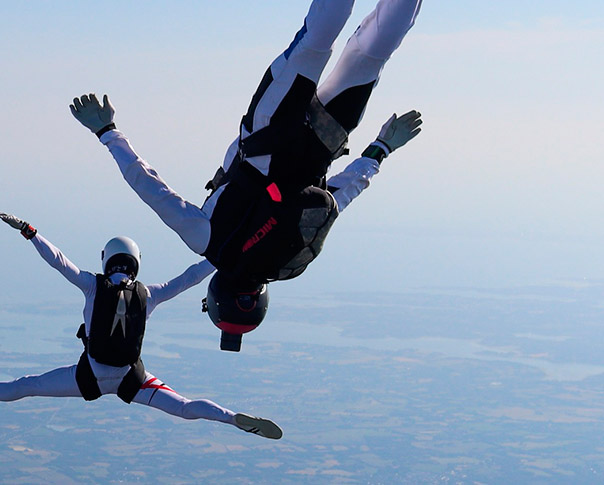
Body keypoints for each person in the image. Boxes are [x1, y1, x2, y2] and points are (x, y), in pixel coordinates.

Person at [70, 0, 423, 351]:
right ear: (217, 290)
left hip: (322, 146)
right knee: (316, 42)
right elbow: (149, 188)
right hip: (268, 130)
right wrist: (107, 132)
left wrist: (381, 148)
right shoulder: (208, 242)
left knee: (372, 54)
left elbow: (338, 197)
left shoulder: (290, 261)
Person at [0, 212, 283, 439]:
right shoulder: (151, 294)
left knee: (26, 386)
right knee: (183, 407)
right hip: (134, 378)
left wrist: (29, 232)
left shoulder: (91, 284)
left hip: (89, 375)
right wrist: (231, 250)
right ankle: (229, 417)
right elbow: (192, 276)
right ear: (136, 264)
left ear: (107, 260)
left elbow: (58, 261)